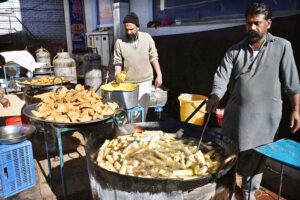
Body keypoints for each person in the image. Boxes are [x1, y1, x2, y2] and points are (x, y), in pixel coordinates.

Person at [206, 3, 300, 200]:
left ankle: (249, 193)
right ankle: (228, 191)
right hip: (235, 116)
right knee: (229, 155)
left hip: (266, 118)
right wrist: (215, 96)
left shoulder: (282, 47)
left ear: (268, 24)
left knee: (257, 158)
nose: (252, 28)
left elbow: (292, 82)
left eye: (257, 23)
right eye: (249, 23)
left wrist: (296, 109)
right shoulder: (234, 51)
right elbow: (221, 77)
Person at [113, 12, 163, 119]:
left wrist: (159, 75)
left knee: (142, 112)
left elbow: (153, 57)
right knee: (129, 113)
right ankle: (128, 132)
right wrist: (117, 73)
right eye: (126, 29)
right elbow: (117, 61)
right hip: (128, 83)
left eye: (131, 29)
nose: (129, 32)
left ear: (138, 27)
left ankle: (139, 131)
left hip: (145, 80)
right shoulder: (119, 42)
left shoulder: (147, 38)